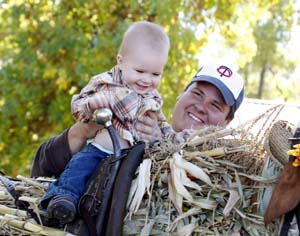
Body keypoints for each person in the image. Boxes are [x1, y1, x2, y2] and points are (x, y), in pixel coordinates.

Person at [40, 21, 176, 225]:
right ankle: (63, 197)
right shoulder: (105, 84)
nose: (147, 80)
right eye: (140, 71)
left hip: (134, 160)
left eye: (156, 74)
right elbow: (78, 105)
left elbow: (164, 127)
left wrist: (168, 138)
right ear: (120, 62)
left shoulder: (153, 99)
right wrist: (93, 104)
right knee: (80, 165)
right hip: (102, 150)